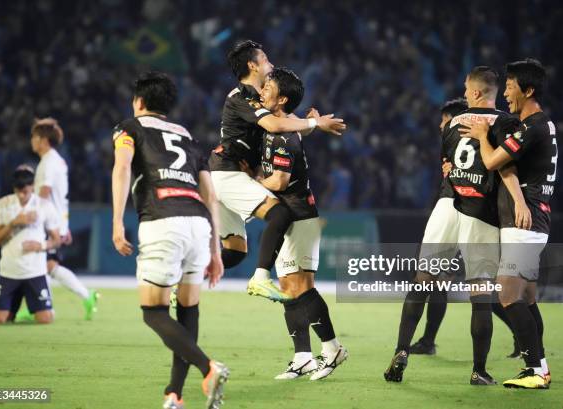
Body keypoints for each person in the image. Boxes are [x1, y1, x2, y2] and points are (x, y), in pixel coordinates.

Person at [384, 66, 529, 385]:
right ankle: (479, 370)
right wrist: (519, 201)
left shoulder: (452, 124)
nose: (464, 93)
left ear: (477, 92)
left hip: (446, 206)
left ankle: (401, 350)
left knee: (421, 282)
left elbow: (448, 166)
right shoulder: (507, 123)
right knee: (481, 296)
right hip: (481, 212)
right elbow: (506, 168)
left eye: (466, 88)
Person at [111, 71, 228, 409]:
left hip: (163, 220)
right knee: (187, 308)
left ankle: (210, 368)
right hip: (198, 225)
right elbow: (210, 194)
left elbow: (121, 168)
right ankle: (174, 395)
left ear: (140, 102)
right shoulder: (187, 135)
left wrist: (117, 222)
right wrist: (215, 249)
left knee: (153, 311)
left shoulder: (129, 128)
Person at [210, 40, 346, 302]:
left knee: (235, 252)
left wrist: (310, 124)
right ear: (253, 65)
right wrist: (315, 123)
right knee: (280, 214)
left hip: (229, 175)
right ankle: (261, 277)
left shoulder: (260, 97)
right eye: (267, 60)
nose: (271, 65)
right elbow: (274, 125)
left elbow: (285, 122)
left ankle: (183, 278)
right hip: (228, 175)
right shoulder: (241, 96)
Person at [459, 58, 556, 389]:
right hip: (531, 221)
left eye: (512, 88)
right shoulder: (538, 126)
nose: (506, 96)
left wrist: (484, 135)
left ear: (528, 90)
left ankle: (536, 369)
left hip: (524, 222)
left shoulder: (532, 127)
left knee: (506, 294)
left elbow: (490, 161)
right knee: (526, 298)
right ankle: (538, 364)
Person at [256, 67, 348, 380]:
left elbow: (279, 181)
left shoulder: (281, 134)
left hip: (298, 218)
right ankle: (303, 357)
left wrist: (251, 179)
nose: (262, 88)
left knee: (301, 288)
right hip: (292, 218)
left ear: (281, 99)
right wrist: (313, 123)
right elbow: (299, 129)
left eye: (268, 85)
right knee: (289, 288)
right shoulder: (283, 125)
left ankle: (333, 348)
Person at [410, 98, 467, 356]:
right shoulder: (451, 145)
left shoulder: (468, 144)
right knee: (439, 283)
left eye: (444, 120)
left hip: (463, 217)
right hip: (455, 214)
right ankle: (428, 341)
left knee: (482, 286)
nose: (440, 125)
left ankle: (521, 335)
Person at [30, 117, 99, 320]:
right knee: (45, 266)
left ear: (43, 139)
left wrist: (33, 217)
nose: (31, 140)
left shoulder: (48, 162)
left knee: (45, 265)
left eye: (34, 136)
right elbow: (62, 198)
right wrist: (64, 225)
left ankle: (44, 305)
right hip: (55, 221)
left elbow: (45, 192)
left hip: (46, 222)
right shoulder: (56, 160)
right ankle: (41, 305)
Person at [0, 165, 61, 325]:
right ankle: (14, 309)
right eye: (18, 191)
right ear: (13, 188)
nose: (22, 195)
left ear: (33, 187)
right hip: (9, 272)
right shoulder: (3, 204)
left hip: (34, 272)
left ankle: (34, 308)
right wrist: (14, 223)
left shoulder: (44, 205)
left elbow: (57, 239)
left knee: (45, 319)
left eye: (26, 191)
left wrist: (40, 245)